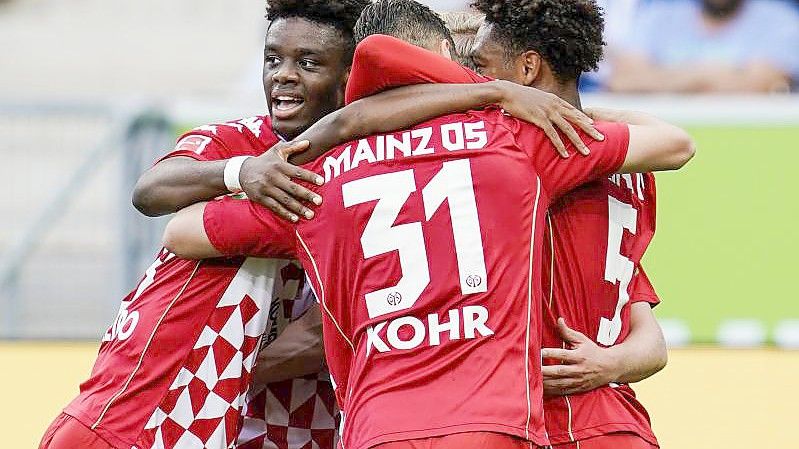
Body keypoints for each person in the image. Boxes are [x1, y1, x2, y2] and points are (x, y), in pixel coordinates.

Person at [41, 0, 592, 447]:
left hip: (283, 419)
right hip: (148, 414)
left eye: (308, 63)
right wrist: (241, 172)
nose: (283, 77)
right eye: (272, 59)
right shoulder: (244, 143)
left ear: (355, 75)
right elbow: (152, 195)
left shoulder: (349, 169)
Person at [161, 6, 694, 449]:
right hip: (563, 419)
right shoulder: (535, 152)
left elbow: (180, 230)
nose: (480, 79)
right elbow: (677, 146)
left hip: (395, 420)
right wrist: (613, 362)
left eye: (484, 67)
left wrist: (331, 132)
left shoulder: (329, 174)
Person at [348, 1, 670, 447]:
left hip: (541, 417)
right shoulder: (635, 173)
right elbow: (648, 333)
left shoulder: (521, 155)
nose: (474, 87)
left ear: (528, 68)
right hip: (621, 419)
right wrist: (610, 365)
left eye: (481, 69)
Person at [609, 0, 799, 93]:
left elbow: (760, 85)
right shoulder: (659, 16)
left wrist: (662, 76)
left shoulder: (781, 20)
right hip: (663, 141)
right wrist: (708, 75)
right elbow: (621, 82)